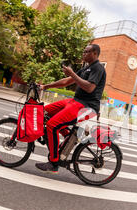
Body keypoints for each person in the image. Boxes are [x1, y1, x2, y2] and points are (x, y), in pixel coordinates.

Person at [35, 44, 106, 173]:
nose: (83, 53)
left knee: (52, 125)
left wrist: (73, 74)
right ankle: (68, 137)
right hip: (75, 101)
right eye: (83, 51)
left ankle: (54, 163)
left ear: (94, 53)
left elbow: (90, 88)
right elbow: (66, 81)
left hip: (87, 106)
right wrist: (45, 86)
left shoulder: (98, 68)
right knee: (43, 112)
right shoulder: (86, 68)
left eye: (86, 51)